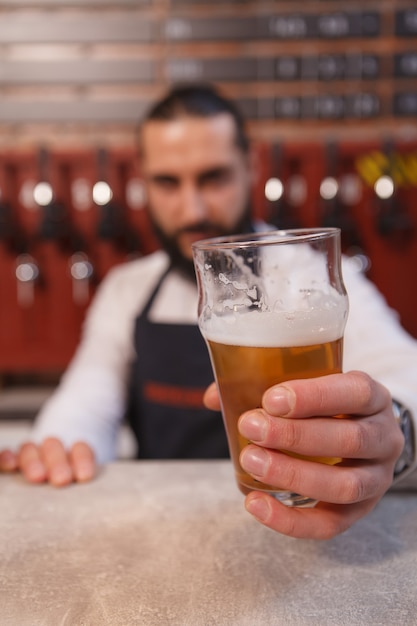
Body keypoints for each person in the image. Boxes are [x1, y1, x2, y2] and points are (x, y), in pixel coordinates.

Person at [1, 84, 416, 540]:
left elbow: (401, 370)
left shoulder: (312, 274)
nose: (192, 209)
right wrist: (60, 445)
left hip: (300, 532)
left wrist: (392, 434)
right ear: (145, 183)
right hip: (169, 531)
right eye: (168, 182)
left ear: (249, 169)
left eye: (213, 177)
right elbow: (87, 402)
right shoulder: (127, 289)